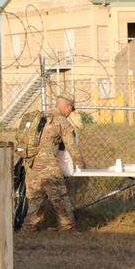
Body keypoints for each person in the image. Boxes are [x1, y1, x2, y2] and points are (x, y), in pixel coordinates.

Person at [23, 95, 86, 232]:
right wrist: (81, 164)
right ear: (67, 106)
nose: (70, 113)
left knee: (37, 197)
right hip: (47, 164)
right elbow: (71, 146)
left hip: (30, 162)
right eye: (71, 110)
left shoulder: (40, 117)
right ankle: (67, 227)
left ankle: (28, 227)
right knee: (60, 197)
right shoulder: (61, 120)